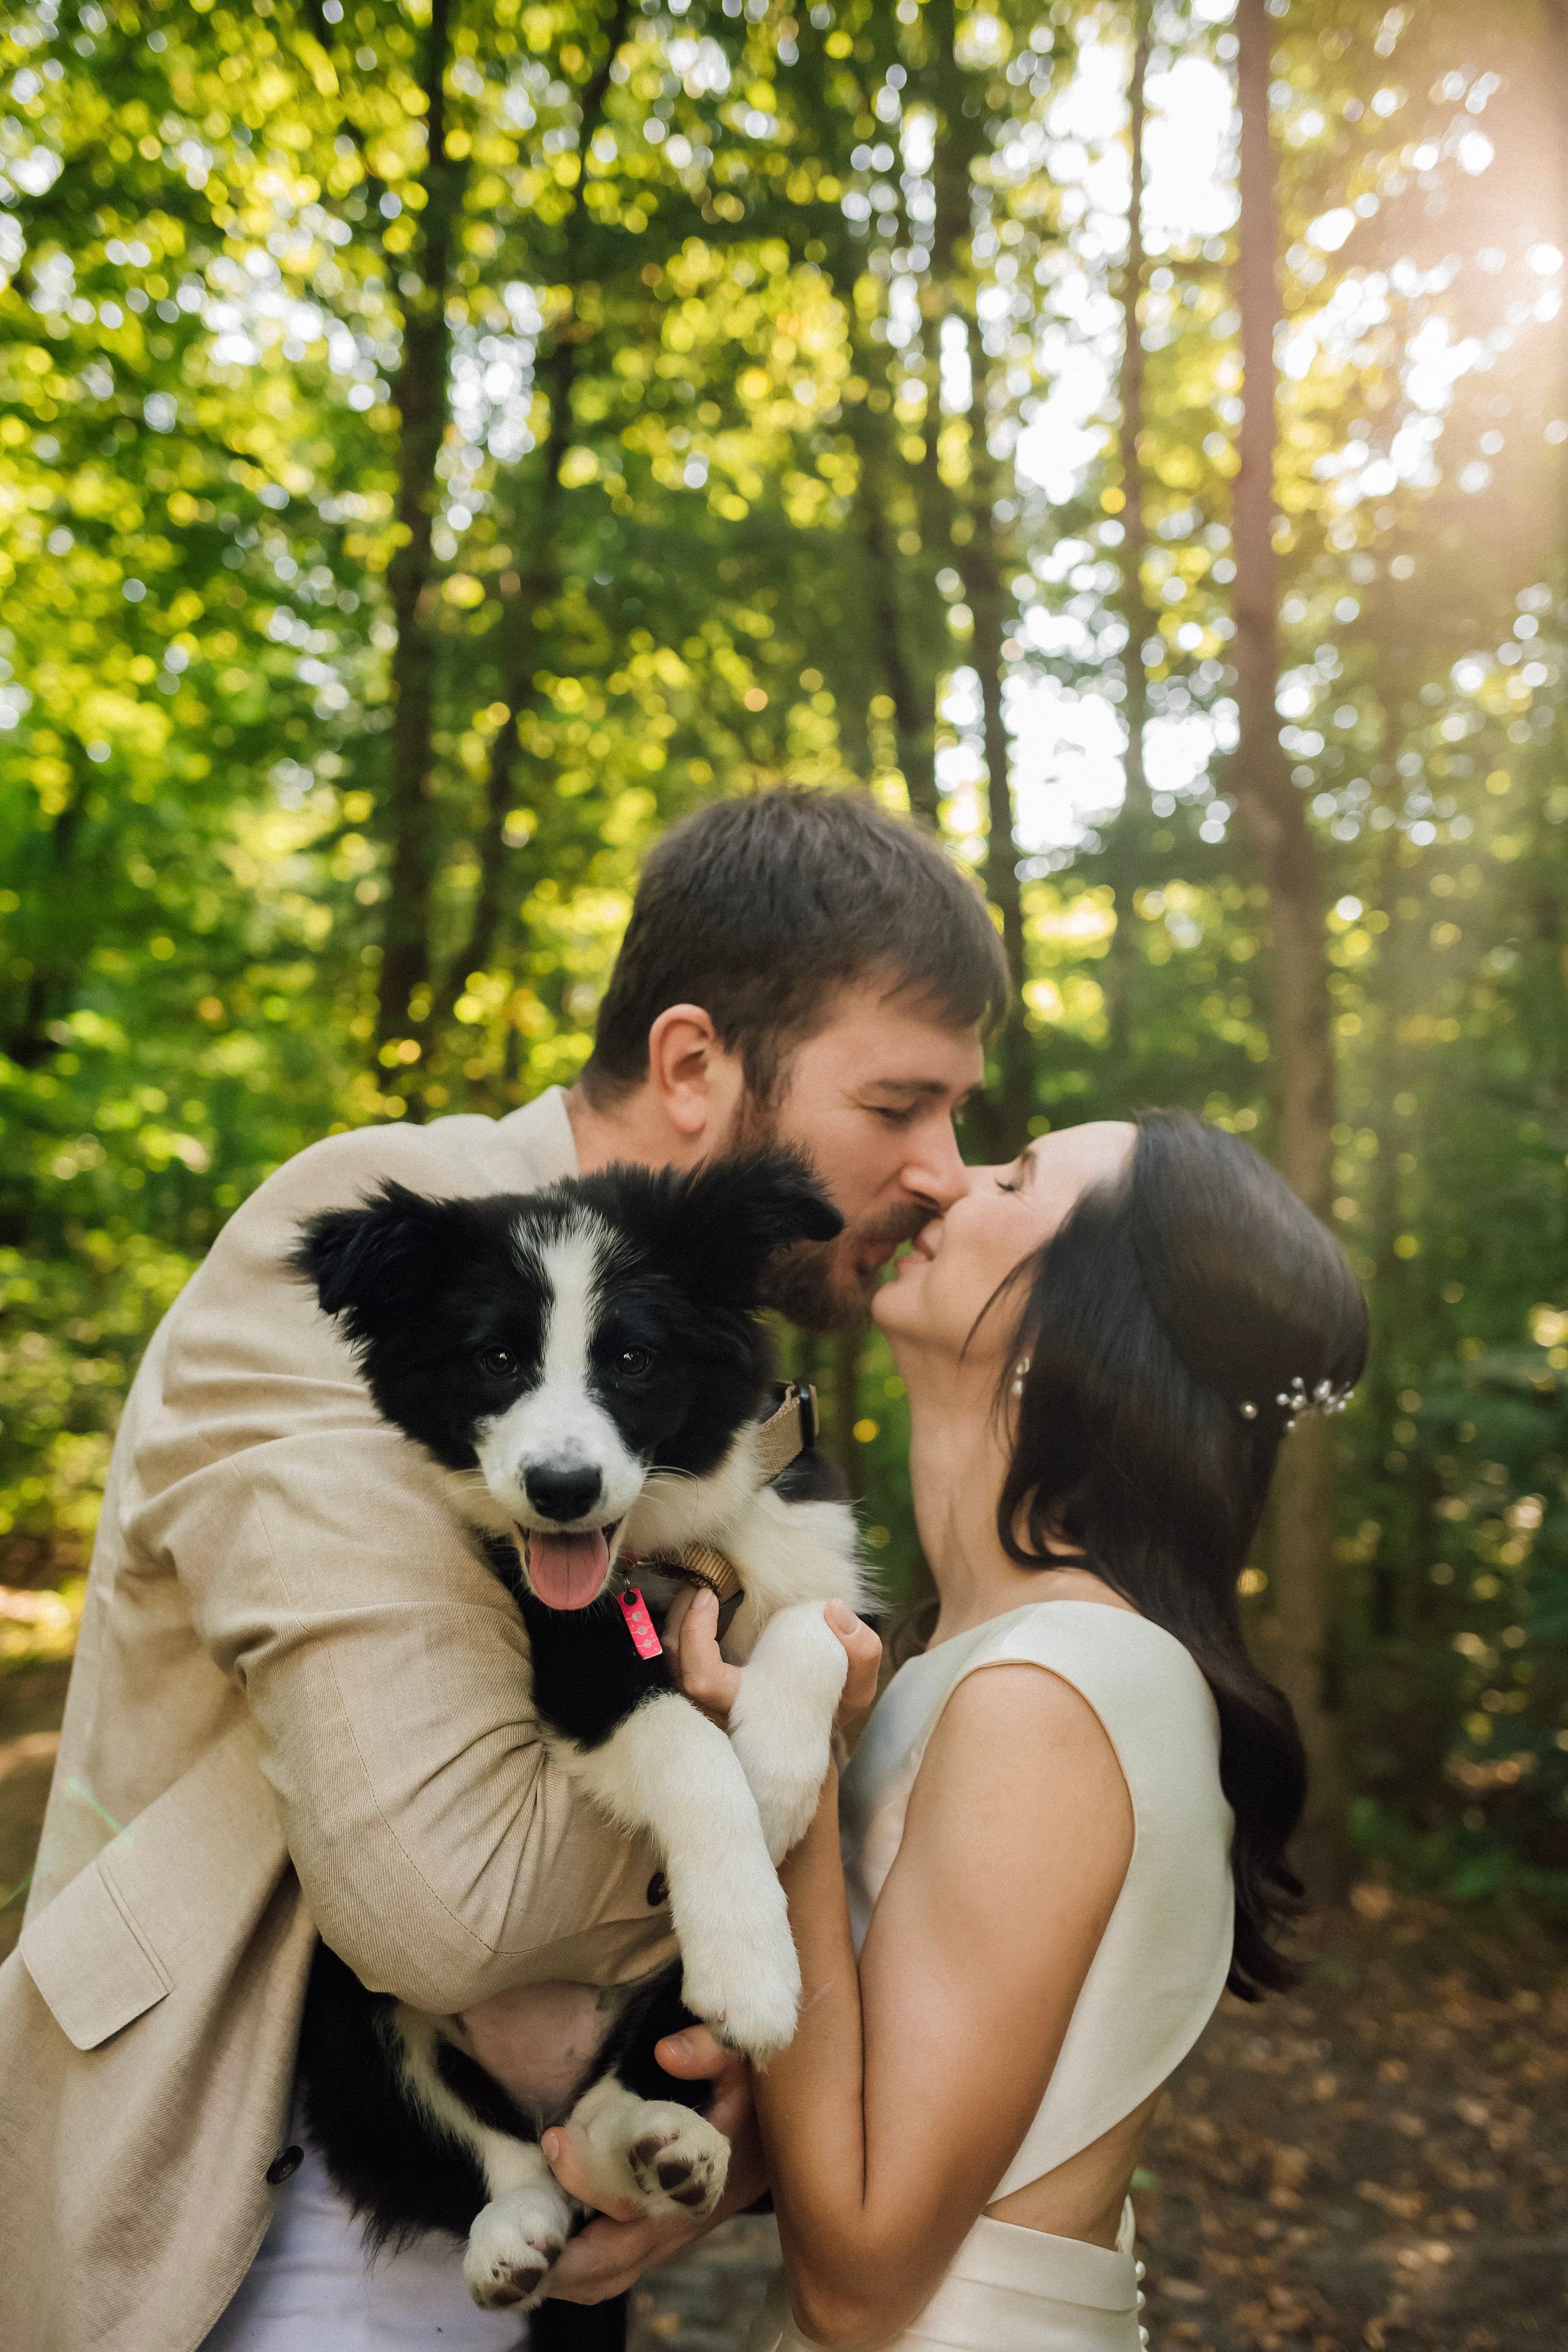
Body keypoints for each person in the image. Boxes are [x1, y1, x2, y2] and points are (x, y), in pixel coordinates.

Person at [0, 787, 1007, 2352]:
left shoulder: (687, 1330)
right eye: (898, 1106)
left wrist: (730, 2087)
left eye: (957, 1116)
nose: (943, 1170)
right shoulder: (388, 1235)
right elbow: (445, 1909)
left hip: (555, 2220)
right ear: (692, 1064)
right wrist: (752, 1841)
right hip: (260, 2202)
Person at [568, 1109, 1368, 2350]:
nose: (949, 1179)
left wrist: (797, 1769)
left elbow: (861, 2282)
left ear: (1087, 1316)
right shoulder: (985, 1659)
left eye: (1018, 1176)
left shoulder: (1049, 1691)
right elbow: (888, 2111)